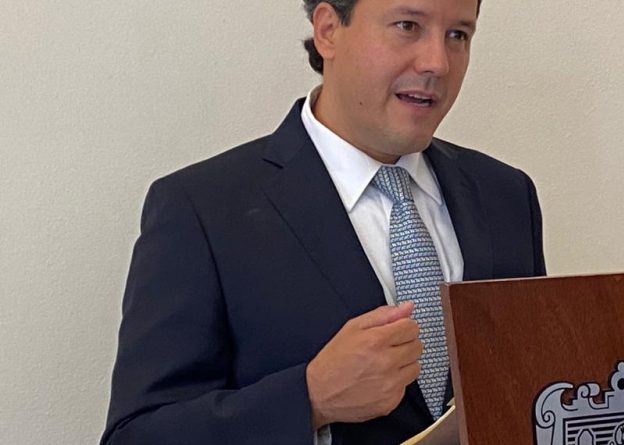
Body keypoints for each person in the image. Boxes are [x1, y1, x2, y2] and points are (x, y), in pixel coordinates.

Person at [101, 0, 545, 443]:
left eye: (458, 35)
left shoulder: (507, 196)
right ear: (329, 29)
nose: (438, 63)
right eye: (408, 26)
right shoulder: (202, 210)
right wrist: (311, 398)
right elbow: (136, 436)